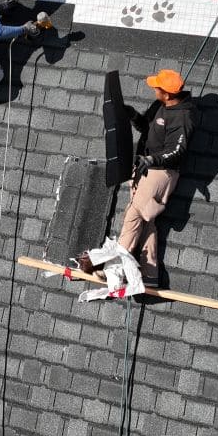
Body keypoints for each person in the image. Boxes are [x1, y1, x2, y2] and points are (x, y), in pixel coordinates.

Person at [84, 69, 196, 283]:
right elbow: (147, 127)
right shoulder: (161, 106)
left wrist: (152, 160)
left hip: (160, 172)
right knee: (146, 220)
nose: (153, 88)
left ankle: (115, 269)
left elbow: (178, 150)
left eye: (157, 87)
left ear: (168, 94)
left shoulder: (183, 117)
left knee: (134, 214)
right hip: (145, 168)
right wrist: (134, 116)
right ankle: (149, 272)